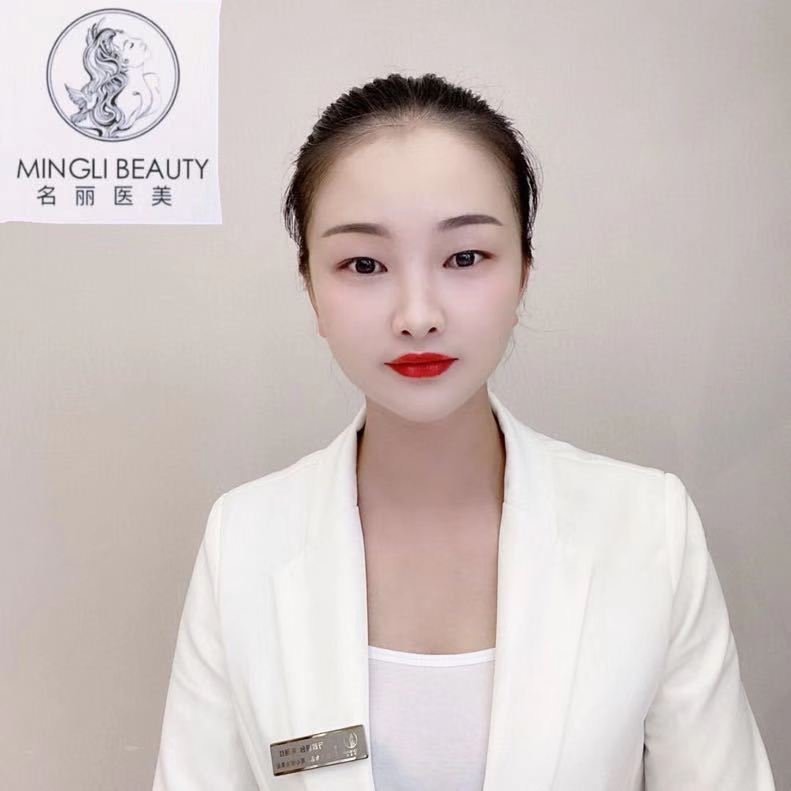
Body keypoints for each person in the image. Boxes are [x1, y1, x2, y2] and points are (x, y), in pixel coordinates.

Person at [152, 72, 776, 790]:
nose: (417, 315)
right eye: (363, 264)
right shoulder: (243, 540)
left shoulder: (647, 529)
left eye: (464, 257)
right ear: (311, 288)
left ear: (523, 272)